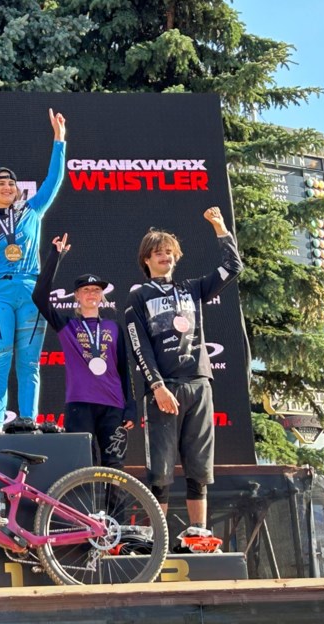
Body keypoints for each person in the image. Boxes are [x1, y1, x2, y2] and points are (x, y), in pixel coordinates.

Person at [124, 206, 243, 552]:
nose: (164, 256)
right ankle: (158, 537)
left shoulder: (192, 289)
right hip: (165, 389)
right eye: (158, 252)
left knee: (199, 465)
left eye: (169, 252)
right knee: (160, 468)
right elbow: (138, 345)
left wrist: (220, 228)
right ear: (146, 259)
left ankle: (198, 534)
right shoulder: (139, 296)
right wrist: (157, 386)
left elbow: (233, 268)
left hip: (199, 384)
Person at [0, 109, 66, 434]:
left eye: (11, 183)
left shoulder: (32, 211)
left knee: (29, 363)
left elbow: (54, 181)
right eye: (0, 184)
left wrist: (59, 141)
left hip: (32, 291)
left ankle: (28, 422)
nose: (7, 187)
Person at [32, 233, 136, 467]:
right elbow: (39, 297)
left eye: (96, 290)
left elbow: (123, 370)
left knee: (115, 467)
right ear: (77, 296)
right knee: (81, 466)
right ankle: (81, 507)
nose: (91, 294)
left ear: (102, 296)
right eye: (86, 290)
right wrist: (55, 257)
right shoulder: (67, 325)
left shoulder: (114, 327)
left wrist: (130, 407)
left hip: (113, 406)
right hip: (80, 405)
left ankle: (113, 507)